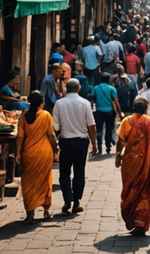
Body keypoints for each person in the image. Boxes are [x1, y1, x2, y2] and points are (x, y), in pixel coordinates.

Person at [115, 96, 150, 236]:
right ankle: (140, 222)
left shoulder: (126, 121)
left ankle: (132, 216)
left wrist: (118, 155)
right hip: (147, 164)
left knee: (131, 189)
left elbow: (121, 141)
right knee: (145, 191)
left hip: (130, 164)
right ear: (146, 108)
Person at [52, 78, 98, 215]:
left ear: (67, 89)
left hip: (66, 142)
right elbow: (91, 125)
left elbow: (56, 126)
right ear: (78, 88)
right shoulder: (85, 103)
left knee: (64, 172)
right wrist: (94, 144)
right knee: (79, 172)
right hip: (81, 142)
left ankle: (67, 198)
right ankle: (77, 201)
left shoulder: (59, 104)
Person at [15, 91, 57, 223]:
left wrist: (17, 153)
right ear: (42, 102)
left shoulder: (23, 116)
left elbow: (20, 136)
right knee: (45, 180)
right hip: (45, 153)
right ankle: (46, 210)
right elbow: (51, 135)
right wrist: (56, 149)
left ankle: (30, 214)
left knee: (27, 183)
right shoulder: (46, 115)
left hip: (28, 153)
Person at [90, 72, 124, 154]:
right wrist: (120, 113)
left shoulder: (95, 88)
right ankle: (108, 146)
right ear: (109, 80)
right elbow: (116, 102)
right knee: (109, 129)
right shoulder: (112, 89)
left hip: (99, 112)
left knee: (99, 129)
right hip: (109, 112)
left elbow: (92, 101)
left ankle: (99, 147)